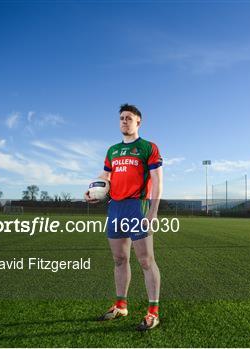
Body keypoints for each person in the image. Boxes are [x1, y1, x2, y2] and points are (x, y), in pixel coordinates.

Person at [85, 103, 163, 331]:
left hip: (137, 208)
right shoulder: (112, 150)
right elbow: (105, 176)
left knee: (146, 261)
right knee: (119, 259)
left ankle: (153, 313)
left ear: (138, 122)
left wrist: (153, 211)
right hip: (115, 208)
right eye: (121, 118)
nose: (124, 121)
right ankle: (121, 305)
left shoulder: (148, 147)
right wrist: (91, 189)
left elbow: (158, 180)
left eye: (129, 118)